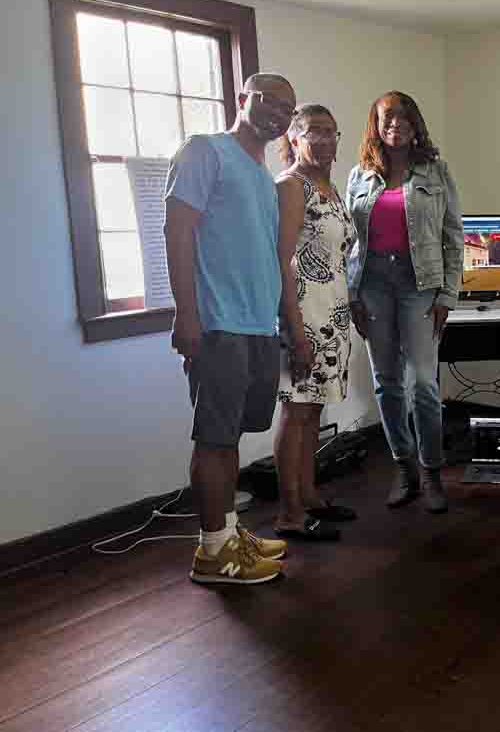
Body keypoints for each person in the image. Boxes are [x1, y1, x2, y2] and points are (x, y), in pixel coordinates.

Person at [165, 73, 297, 585]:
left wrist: (281, 322)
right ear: (242, 100)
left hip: (257, 326)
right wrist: (186, 313)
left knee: (232, 437)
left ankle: (228, 533)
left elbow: (265, 255)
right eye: (268, 100)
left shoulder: (263, 176)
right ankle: (212, 552)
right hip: (218, 324)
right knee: (214, 439)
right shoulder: (205, 151)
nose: (278, 113)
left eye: (287, 108)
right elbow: (176, 232)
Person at [346, 92, 463, 514]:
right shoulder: (359, 175)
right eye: (386, 118)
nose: (395, 124)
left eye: (403, 117)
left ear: (415, 124)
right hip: (374, 284)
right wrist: (353, 294)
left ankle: (431, 470)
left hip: (420, 286)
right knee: (387, 382)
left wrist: (448, 295)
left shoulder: (436, 170)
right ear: (375, 125)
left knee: (424, 385)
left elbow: (453, 236)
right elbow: (349, 244)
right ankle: (403, 467)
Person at [272, 104, 357, 542]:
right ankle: (289, 515)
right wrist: (295, 328)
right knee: (297, 411)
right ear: (294, 138)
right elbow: (282, 260)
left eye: (331, 131)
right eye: (313, 131)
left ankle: (309, 496)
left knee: (313, 411)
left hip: (332, 317)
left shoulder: (330, 187)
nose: (324, 140)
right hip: (303, 318)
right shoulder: (291, 187)